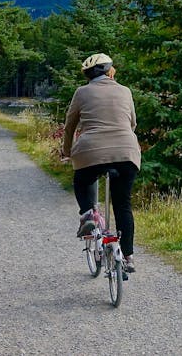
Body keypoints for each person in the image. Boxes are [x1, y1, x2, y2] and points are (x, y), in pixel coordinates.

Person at [61, 53, 141, 272]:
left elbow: (70, 126)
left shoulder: (81, 92)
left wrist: (66, 151)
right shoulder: (125, 91)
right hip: (126, 152)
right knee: (123, 205)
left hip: (90, 152)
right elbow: (132, 123)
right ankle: (127, 257)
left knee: (81, 180)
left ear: (88, 75)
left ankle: (88, 214)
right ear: (110, 71)